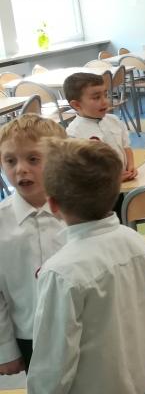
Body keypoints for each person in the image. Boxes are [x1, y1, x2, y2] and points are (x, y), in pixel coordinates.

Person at [28, 138, 145, 393]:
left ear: (52, 204)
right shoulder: (138, 243)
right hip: (142, 382)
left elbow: (52, 367)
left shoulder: (61, 272)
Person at [0, 115, 66, 375]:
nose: (21, 169)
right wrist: (6, 349)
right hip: (30, 336)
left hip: (84, 329)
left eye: (33, 159)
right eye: (10, 161)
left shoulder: (78, 214)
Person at [63, 73, 137, 182]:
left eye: (105, 95)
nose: (105, 101)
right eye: (96, 97)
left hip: (126, 181)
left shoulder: (114, 120)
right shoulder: (73, 134)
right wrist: (111, 179)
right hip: (100, 187)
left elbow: (126, 146)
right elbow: (82, 172)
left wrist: (131, 166)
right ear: (77, 105)